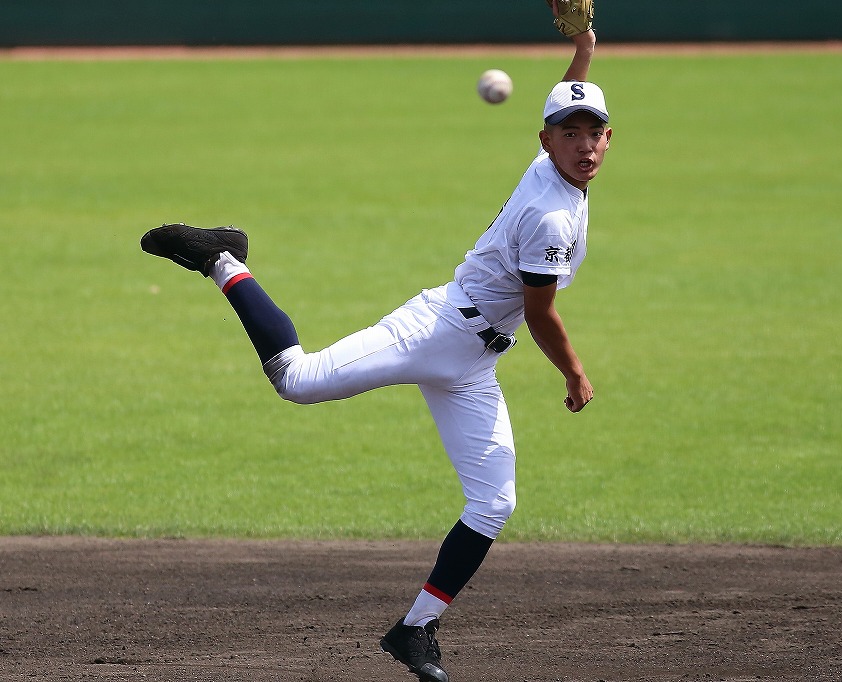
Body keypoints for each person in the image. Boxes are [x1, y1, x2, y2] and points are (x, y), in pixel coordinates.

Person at [140, 20, 611, 682]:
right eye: (570, 132)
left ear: (608, 136)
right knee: (297, 380)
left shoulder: (551, 169)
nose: (583, 144)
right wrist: (577, 372)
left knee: (493, 504)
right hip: (439, 326)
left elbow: (568, 90)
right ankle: (223, 258)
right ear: (546, 141)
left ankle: (414, 630)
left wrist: (585, 46)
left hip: (474, 362)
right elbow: (540, 312)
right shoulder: (552, 214)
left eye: (594, 130)